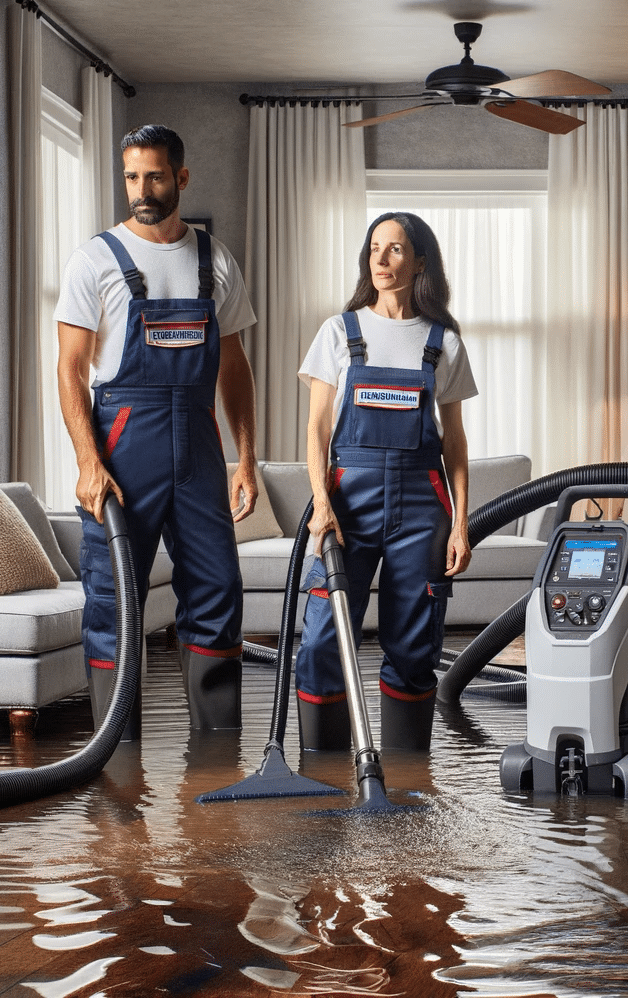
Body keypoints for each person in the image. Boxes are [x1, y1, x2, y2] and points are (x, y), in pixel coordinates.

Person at [56, 124, 258, 732]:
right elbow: (69, 369)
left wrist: (246, 459)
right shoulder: (96, 258)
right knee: (115, 597)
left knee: (219, 589)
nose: (141, 190)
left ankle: (215, 753)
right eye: (131, 177)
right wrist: (90, 463)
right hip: (123, 443)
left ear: (182, 177)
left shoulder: (214, 260)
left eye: (155, 176)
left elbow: (233, 365)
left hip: (197, 445)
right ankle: (116, 758)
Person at [294, 212, 476, 752]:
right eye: (374, 247)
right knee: (325, 633)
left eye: (395, 249)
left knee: (415, 642)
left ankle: (408, 777)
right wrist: (321, 505)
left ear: (420, 261)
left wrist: (461, 524)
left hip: (422, 506)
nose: (380, 259)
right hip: (348, 502)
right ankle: (320, 768)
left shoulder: (442, 342)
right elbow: (317, 428)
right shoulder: (340, 331)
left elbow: (456, 442)